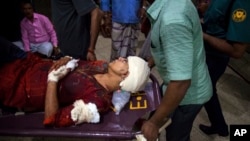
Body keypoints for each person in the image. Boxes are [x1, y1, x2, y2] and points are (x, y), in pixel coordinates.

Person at [0, 36, 150, 127]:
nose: (122, 58)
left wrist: (53, 80)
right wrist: (68, 59)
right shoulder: (101, 66)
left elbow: (52, 119)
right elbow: (77, 63)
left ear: (126, 75)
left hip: (17, 85)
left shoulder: (97, 101)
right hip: (27, 61)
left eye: (126, 62)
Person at [140, 0, 213, 141]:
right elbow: (169, 46)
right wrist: (146, 65)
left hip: (186, 94)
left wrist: (154, 123)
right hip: (176, 83)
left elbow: (181, 83)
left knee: (177, 136)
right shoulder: (175, 4)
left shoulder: (173, 21)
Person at [198, 0, 250, 136]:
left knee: (205, 89)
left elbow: (237, 51)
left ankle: (220, 127)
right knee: (208, 89)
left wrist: (203, 36)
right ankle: (219, 126)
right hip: (206, 48)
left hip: (216, 55)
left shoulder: (242, 4)